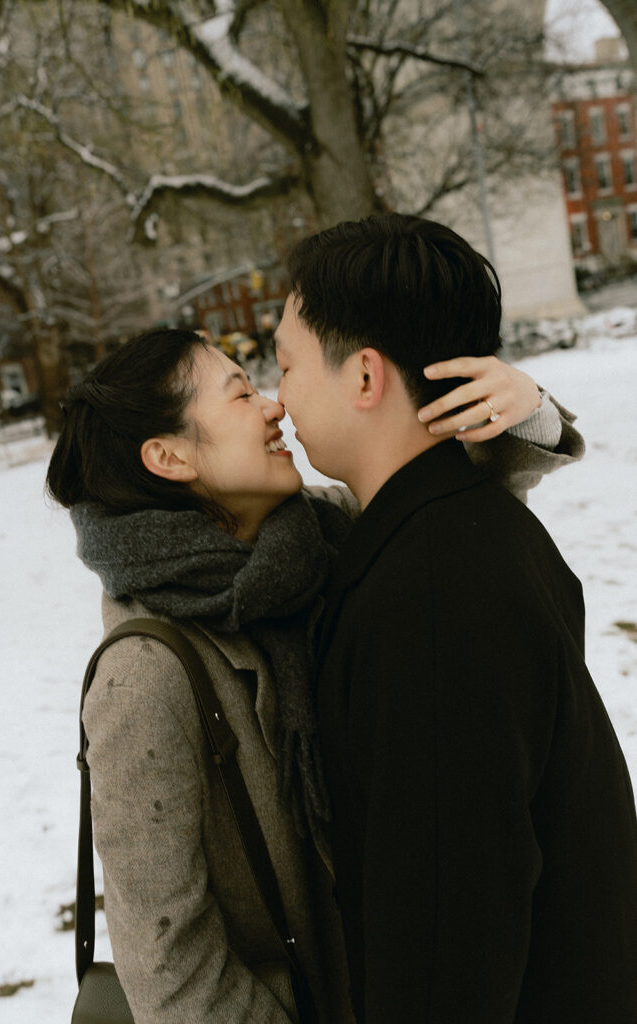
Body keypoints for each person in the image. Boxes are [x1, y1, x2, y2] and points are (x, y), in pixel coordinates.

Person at [46, 321, 580, 1024]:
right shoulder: (143, 678)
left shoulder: (324, 535)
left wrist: (520, 406)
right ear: (168, 456)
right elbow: (168, 965)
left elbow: (465, 508)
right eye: (239, 395)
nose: (273, 406)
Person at [273, 212, 637, 1023]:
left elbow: (447, 936)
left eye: (287, 364)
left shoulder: (430, 598)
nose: (279, 396)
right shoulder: (455, 527)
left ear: (364, 376)